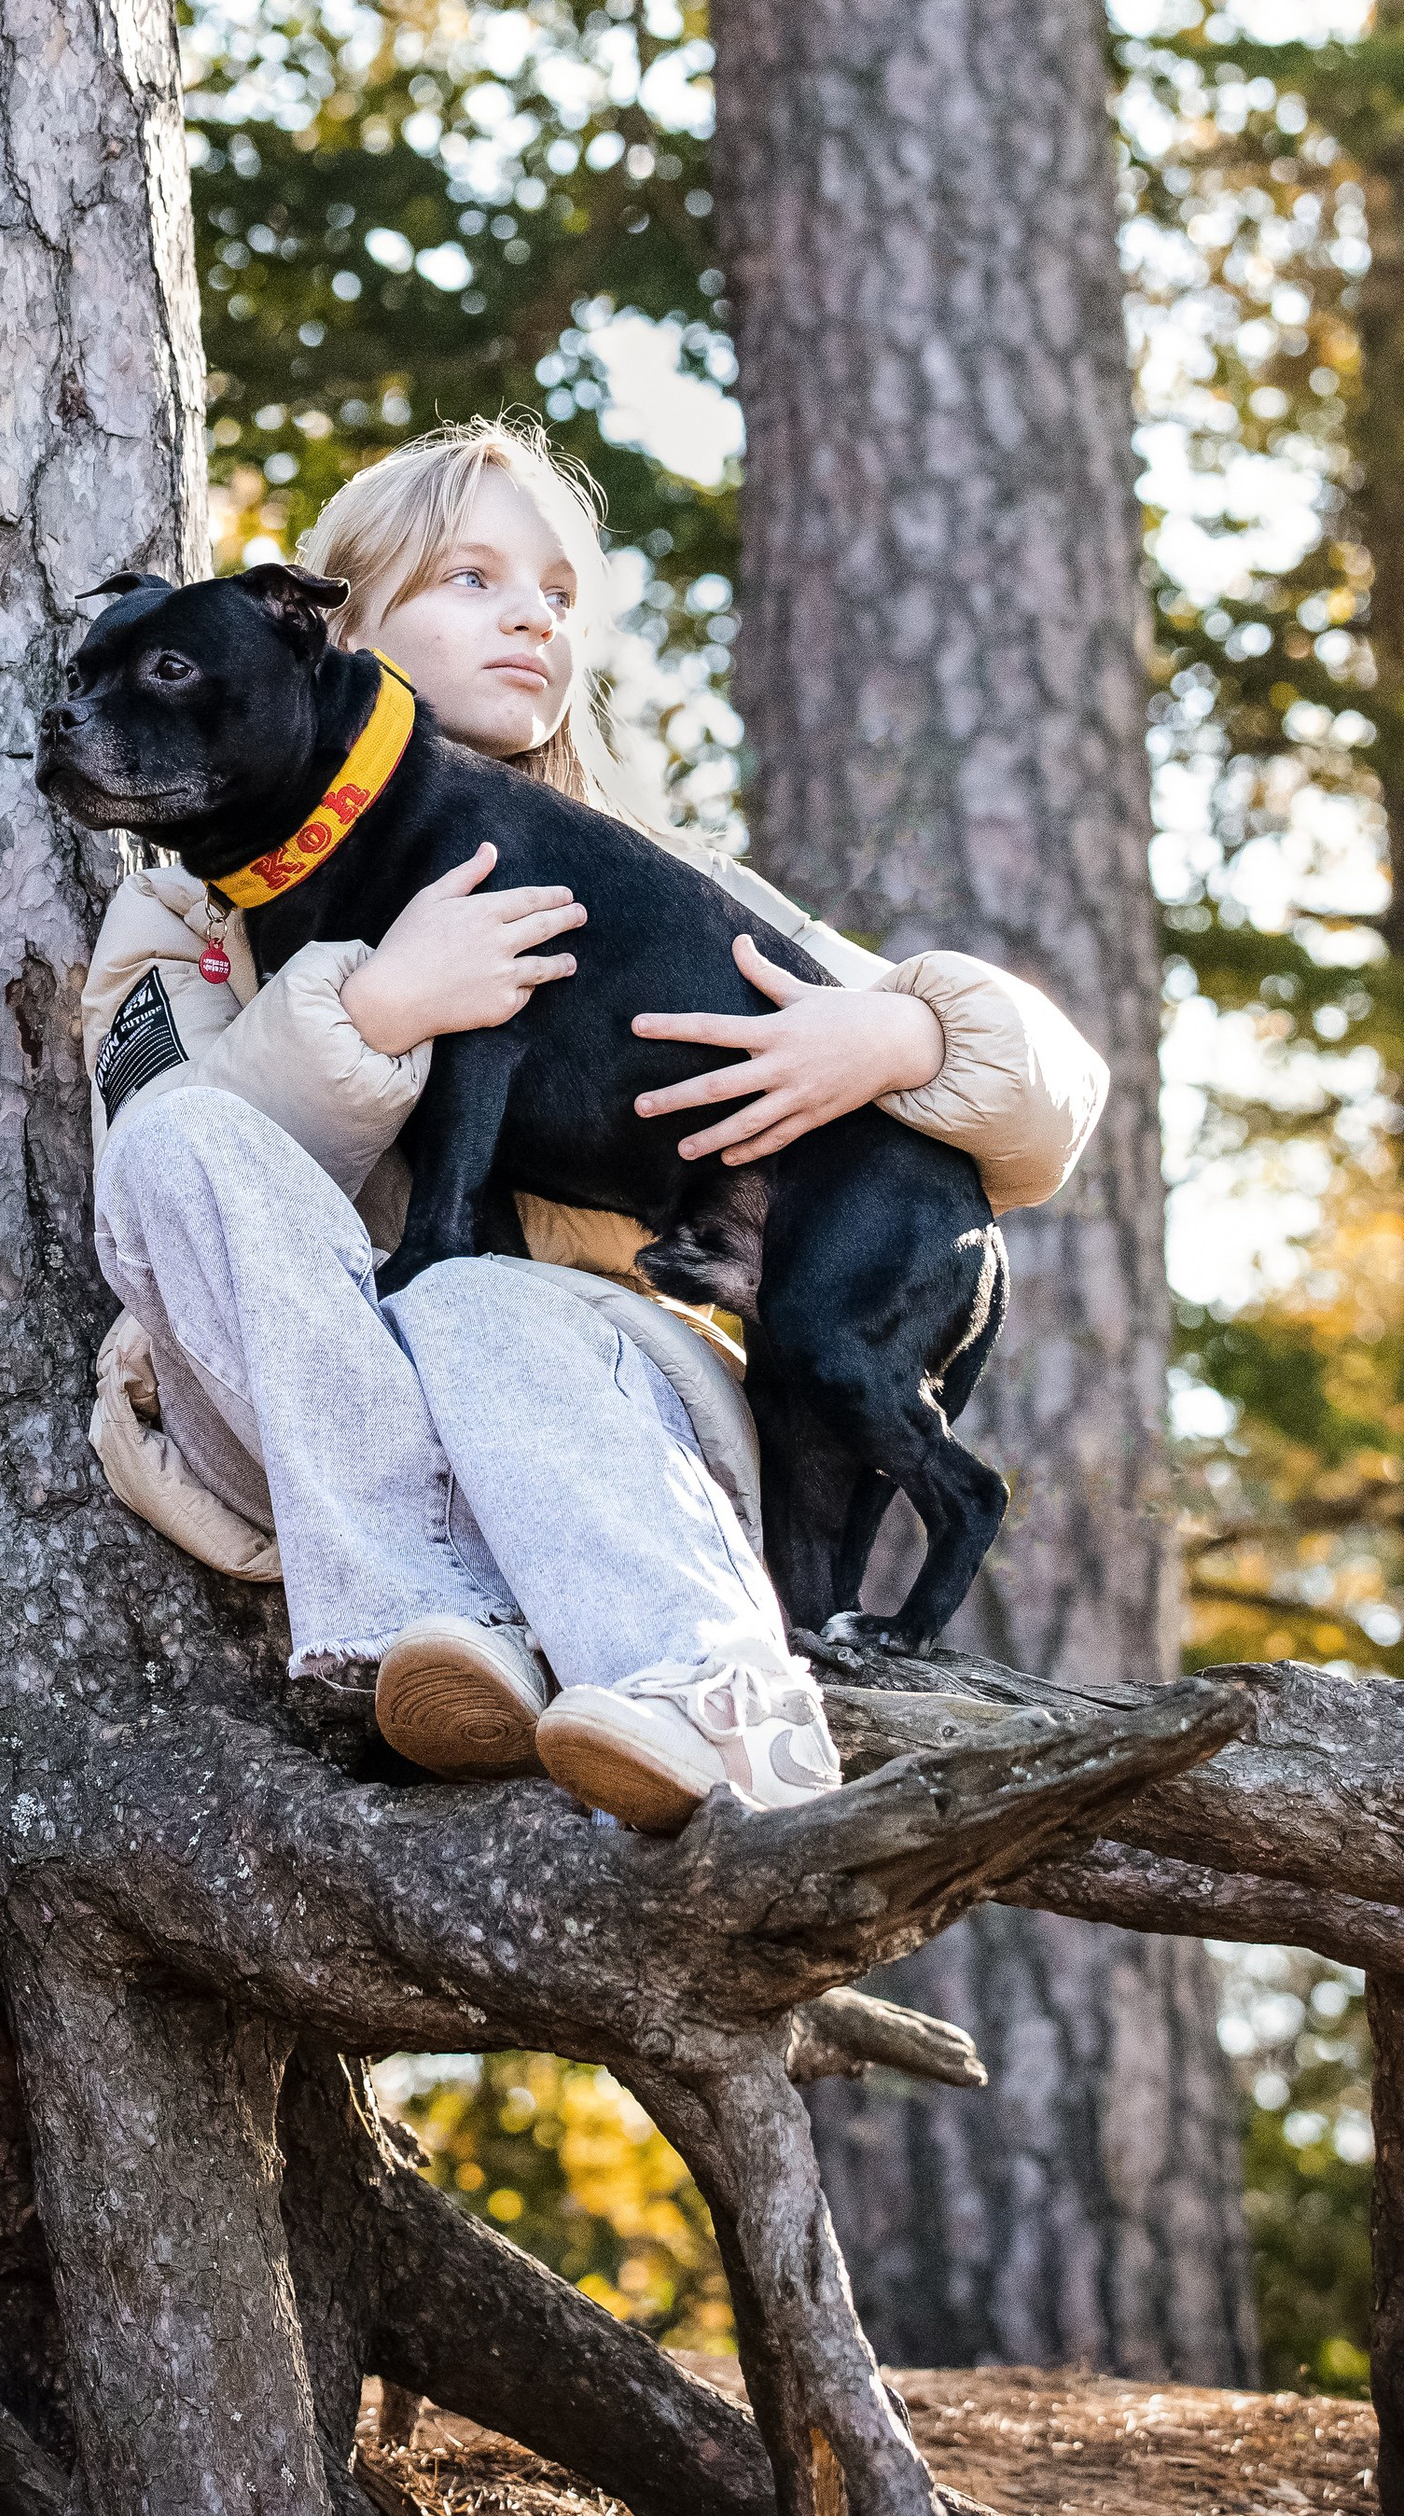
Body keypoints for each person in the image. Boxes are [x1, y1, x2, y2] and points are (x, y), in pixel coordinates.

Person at [79, 417, 1108, 1835]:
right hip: (322, 1413)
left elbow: (1052, 1103)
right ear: (333, 633)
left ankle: (713, 1697)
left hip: (607, 1420)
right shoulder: (183, 918)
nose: (530, 618)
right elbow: (162, 1179)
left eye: (559, 595)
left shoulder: (660, 872)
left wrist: (914, 1030)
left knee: (493, 1304)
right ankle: (423, 1632)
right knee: (181, 1146)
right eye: (472, 578)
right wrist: (373, 1007)